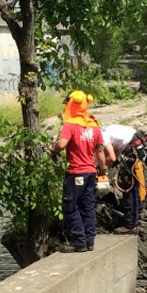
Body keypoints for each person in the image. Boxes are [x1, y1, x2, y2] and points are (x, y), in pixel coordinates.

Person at [51, 90, 107, 251]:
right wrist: (102, 171)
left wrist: (53, 151)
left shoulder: (70, 125)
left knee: (70, 207)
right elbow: (100, 152)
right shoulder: (93, 125)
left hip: (76, 172)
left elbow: (61, 144)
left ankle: (79, 241)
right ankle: (90, 242)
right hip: (91, 173)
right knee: (88, 207)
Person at [101, 123, 147, 234]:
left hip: (132, 151)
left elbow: (111, 157)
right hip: (139, 146)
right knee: (135, 185)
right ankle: (138, 210)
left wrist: (102, 171)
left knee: (129, 187)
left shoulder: (102, 136)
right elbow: (115, 152)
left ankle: (130, 224)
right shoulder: (106, 130)